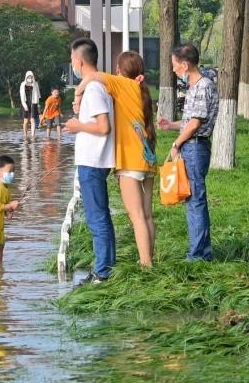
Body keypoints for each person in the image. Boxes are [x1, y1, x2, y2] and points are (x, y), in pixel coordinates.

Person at [76, 51, 158, 266]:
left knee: (137, 216)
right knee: (147, 215)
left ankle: (146, 264)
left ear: (120, 71)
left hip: (130, 160)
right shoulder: (140, 90)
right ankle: (150, 259)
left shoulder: (123, 84)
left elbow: (93, 76)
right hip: (147, 158)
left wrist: (77, 94)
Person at [158, 43, 218, 262]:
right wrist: (171, 125)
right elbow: (188, 122)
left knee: (196, 201)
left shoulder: (203, 86)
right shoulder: (195, 87)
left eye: (175, 65)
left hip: (194, 146)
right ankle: (201, 250)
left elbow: (194, 125)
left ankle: (199, 255)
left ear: (185, 64)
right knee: (193, 200)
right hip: (192, 143)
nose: (174, 70)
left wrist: (176, 144)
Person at [64, 38, 117, 284]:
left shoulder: (95, 88)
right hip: (94, 160)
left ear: (80, 61)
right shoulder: (96, 86)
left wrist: (77, 126)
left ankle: (103, 271)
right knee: (100, 215)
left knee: (97, 217)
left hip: (93, 161)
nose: (72, 64)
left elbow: (103, 127)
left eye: (72, 60)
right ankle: (106, 266)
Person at [19, 70, 41, 137]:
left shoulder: (35, 83)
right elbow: (21, 95)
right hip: (25, 103)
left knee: (33, 121)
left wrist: (38, 105)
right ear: (26, 77)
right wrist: (24, 105)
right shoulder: (23, 84)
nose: (30, 78)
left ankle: (33, 135)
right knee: (25, 121)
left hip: (33, 103)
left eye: (31, 77)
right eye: (29, 77)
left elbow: (38, 94)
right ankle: (25, 135)